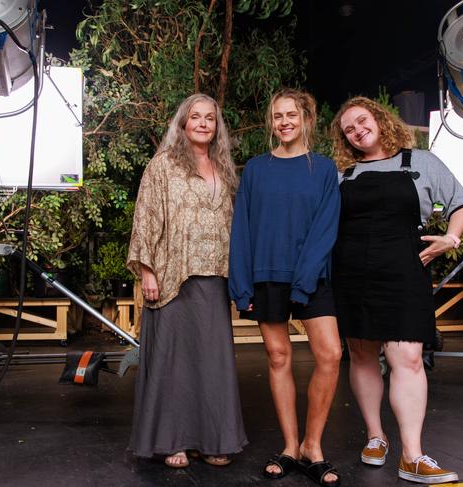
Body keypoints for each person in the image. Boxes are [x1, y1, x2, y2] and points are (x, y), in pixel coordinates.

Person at [330, 96, 463, 485]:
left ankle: (412, 455)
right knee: (361, 355)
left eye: (362, 122)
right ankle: (375, 437)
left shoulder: (421, 161)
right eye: (349, 129)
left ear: (378, 119)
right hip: (352, 272)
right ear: (345, 139)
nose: (358, 131)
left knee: (408, 358)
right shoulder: (342, 173)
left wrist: (452, 237)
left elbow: (462, 202)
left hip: (404, 270)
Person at [126, 93, 248, 469]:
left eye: (210, 118)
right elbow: (145, 216)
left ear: (217, 127)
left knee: (212, 364)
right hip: (172, 275)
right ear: (182, 123)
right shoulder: (163, 165)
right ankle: (173, 441)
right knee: (173, 364)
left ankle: (212, 440)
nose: (203, 123)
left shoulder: (225, 169)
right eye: (195, 117)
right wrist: (147, 270)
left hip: (214, 278)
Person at [229, 88, 342, 487]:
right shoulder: (256, 169)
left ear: (306, 118)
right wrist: (240, 284)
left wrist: (305, 277)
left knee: (330, 354)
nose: (284, 122)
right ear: (271, 123)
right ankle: (291, 446)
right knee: (279, 358)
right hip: (266, 275)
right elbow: (241, 227)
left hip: (310, 275)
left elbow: (326, 228)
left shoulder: (324, 169)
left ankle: (314, 446)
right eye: (277, 116)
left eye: (291, 114)